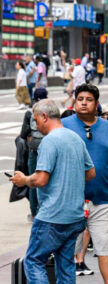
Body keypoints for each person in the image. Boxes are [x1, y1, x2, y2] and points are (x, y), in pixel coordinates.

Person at [10, 99, 95, 283]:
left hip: (52, 217)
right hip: (74, 216)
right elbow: (91, 172)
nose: (36, 125)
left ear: (44, 117)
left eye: (36, 120)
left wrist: (23, 179)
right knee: (65, 266)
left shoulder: (49, 141)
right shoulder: (75, 138)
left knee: (33, 261)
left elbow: (40, 179)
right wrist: (68, 177)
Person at [62, 84, 108, 283]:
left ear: (97, 104)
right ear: (75, 102)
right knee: (68, 250)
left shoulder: (107, 127)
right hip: (71, 201)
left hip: (103, 199)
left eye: (89, 100)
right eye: (80, 99)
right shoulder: (64, 125)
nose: (84, 103)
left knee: (105, 248)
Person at [21, 87, 49, 222]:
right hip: (48, 148)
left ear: (34, 98)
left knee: (33, 180)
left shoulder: (29, 112)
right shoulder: (50, 110)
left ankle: (34, 213)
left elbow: (23, 133)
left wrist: (30, 136)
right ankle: (46, 211)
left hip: (33, 150)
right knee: (47, 180)